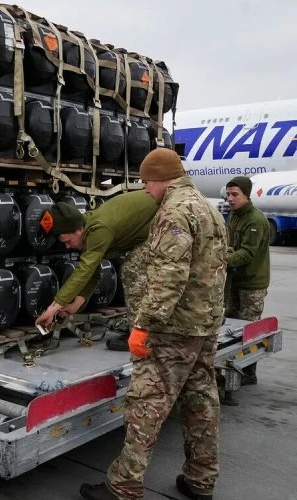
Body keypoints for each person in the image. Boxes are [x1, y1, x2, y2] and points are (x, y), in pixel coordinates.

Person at [80, 148, 228, 500]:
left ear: (161, 178)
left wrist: (144, 324)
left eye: (146, 182)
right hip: (204, 325)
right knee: (201, 403)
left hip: (172, 329)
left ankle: (123, 487)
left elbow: (169, 275)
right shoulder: (209, 208)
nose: (146, 190)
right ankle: (200, 481)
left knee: (146, 405)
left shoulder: (175, 211)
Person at [35, 190, 158, 352]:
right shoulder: (88, 229)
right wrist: (75, 305)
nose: (67, 246)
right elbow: (93, 273)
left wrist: (53, 308)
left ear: (79, 230)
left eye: (68, 241)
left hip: (165, 222)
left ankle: (143, 336)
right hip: (152, 228)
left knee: (132, 271)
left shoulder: (98, 229)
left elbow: (85, 270)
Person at [221, 175, 270, 405]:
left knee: (249, 330)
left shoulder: (255, 220)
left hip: (252, 284)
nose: (230, 199)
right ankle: (234, 369)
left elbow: (247, 253)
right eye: (228, 195)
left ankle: (248, 373)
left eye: (235, 195)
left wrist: (220, 260)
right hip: (235, 281)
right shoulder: (234, 216)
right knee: (231, 328)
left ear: (247, 195)